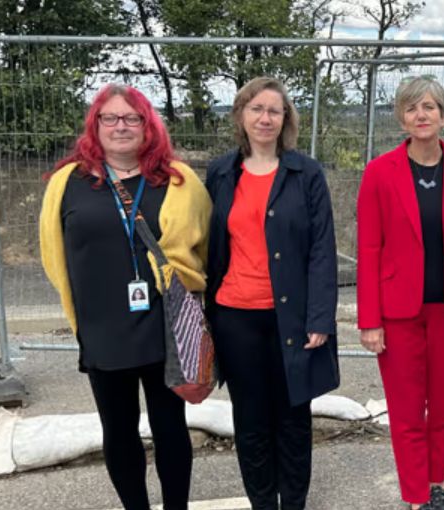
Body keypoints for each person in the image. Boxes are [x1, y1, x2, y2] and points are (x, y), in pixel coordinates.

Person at [39, 84, 211, 510]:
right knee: (117, 430)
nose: (121, 126)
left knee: (170, 426)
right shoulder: (68, 183)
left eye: (131, 118)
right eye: (110, 118)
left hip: (162, 324)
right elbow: (52, 251)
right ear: (95, 125)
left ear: (147, 125)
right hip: (102, 327)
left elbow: (202, 245)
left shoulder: (177, 180)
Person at [357, 76, 444, 510]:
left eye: (430, 106)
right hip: (398, 313)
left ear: (443, 115)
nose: (422, 114)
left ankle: (436, 481)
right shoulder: (380, 173)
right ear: (401, 116)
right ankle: (416, 494)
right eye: (413, 107)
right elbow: (370, 249)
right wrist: (369, 320)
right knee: (407, 410)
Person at [205, 76, 339, 510]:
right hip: (234, 316)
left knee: (293, 418)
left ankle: (293, 503)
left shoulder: (306, 173)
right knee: (250, 422)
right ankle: (263, 502)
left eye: (274, 111)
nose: (265, 118)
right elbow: (208, 244)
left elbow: (322, 249)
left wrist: (320, 317)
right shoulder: (220, 173)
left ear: (286, 120)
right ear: (241, 115)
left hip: (292, 318)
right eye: (256, 109)